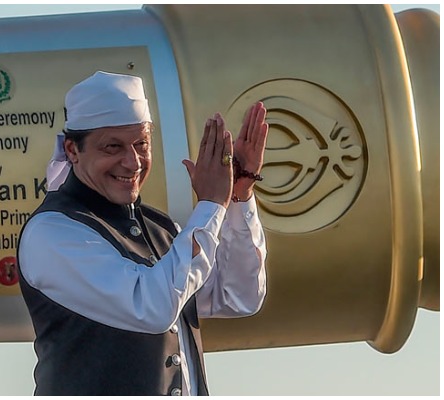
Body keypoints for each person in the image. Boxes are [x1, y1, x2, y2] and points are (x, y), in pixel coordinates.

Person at [17, 71, 267, 396]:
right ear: (73, 150)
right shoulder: (53, 231)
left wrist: (237, 196)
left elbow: (238, 297)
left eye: (141, 144)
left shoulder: (161, 229)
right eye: (113, 147)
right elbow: (150, 306)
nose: (132, 161)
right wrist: (210, 205)